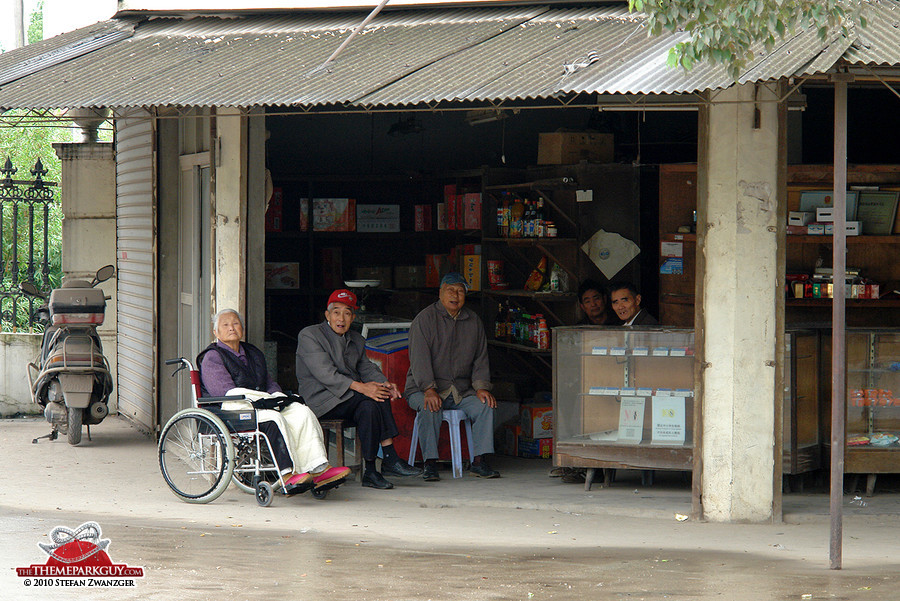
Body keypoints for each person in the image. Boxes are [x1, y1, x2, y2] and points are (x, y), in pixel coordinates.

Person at [198, 309, 350, 490]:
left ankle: (318, 468)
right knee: (273, 418)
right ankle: (286, 474)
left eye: (236, 323)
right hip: (233, 408)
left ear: (242, 328)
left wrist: (278, 397)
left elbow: (268, 382)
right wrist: (264, 400)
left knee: (301, 412)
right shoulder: (212, 357)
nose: (232, 328)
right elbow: (225, 392)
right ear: (216, 332)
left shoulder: (253, 353)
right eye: (226, 325)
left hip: (260, 403)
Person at [295, 289, 423, 490]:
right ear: (327, 315)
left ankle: (371, 471)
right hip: (321, 400)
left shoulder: (356, 339)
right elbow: (325, 374)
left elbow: (367, 368)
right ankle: (389, 457)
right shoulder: (310, 335)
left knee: (371, 404)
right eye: (336, 312)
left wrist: (385, 384)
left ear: (353, 317)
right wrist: (363, 388)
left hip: (349, 398)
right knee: (370, 396)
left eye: (347, 313)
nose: (341, 318)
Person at [405, 272, 499, 481]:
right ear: (440, 293)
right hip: (422, 388)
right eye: (450, 290)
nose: (455, 295)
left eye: (460, 291)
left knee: (485, 405)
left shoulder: (473, 321)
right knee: (430, 405)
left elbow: (480, 359)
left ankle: (479, 461)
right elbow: (419, 360)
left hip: (462, 391)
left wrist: (481, 387)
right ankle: (430, 463)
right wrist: (429, 389)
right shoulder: (425, 319)